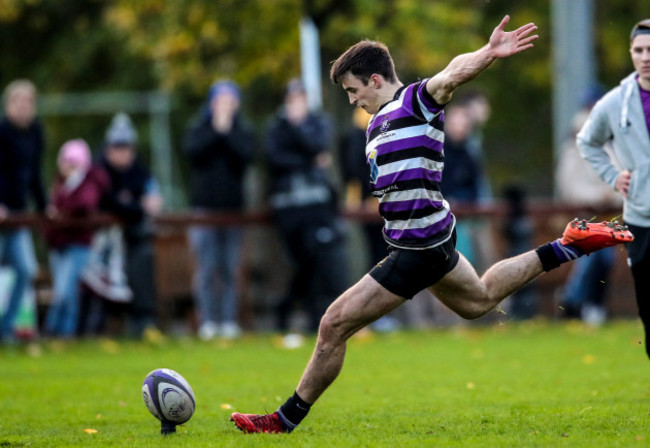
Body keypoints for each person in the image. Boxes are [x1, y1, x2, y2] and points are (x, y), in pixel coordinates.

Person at [230, 16, 632, 433]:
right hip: (431, 239)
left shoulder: (413, 102)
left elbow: (450, 75)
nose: (351, 100)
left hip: (418, 248)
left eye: (353, 90)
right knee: (478, 301)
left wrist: (488, 54)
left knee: (333, 323)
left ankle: (283, 420)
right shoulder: (375, 125)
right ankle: (568, 245)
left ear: (374, 79)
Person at [576, 19, 650, 352]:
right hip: (641, 215)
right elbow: (587, 142)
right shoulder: (615, 102)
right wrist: (612, 176)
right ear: (631, 54)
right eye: (639, 50)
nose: (645, 56)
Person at [266, 78, 349, 334]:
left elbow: (320, 147)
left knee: (319, 260)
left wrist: (298, 132)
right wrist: (308, 159)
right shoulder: (277, 126)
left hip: (317, 207)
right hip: (288, 209)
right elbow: (274, 159)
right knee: (301, 264)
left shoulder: (318, 122)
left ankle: (315, 319)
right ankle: (286, 308)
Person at [183, 80, 254, 340]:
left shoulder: (241, 131)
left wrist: (227, 133)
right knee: (206, 269)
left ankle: (228, 320)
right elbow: (193, 153)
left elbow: (246, 156)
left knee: (229, 269)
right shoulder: (199, 128)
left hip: (233, 212)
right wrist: (216, 131)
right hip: (204, 211)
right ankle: (207, 321)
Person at [94, 112, 162, 338]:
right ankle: (95, 329)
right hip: (103, 243)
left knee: (143, 262)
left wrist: (133, 206)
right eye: (118, 147)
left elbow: (152, 200)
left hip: (133, 238)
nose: (122, 153)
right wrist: (137, 207)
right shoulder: (99, 171)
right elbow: (110, 203)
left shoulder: (140, 171)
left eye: (126, 148)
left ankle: (143, 323)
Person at [556, 109, 623, 324]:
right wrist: (598, 197)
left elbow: (620, 183)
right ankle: (575, 303)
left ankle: (586, 305)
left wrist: (609, 197)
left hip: (608, 217)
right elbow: (571, 188)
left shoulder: (609, 149)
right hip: (583, 217)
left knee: (602, 260)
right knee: (590, 260)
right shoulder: (573, 152)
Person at [43, 139, 109, 338]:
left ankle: (55, 331)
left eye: (73, 163)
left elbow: (84, 205)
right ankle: (64, 335)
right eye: (65, 162)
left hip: (78, 244)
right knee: (65, 293)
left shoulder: (86, 183)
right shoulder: (59, 185)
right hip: (58, 245)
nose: (68, 168)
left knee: (65, 291)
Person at [0, 80, 46, 342]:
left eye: (29, 102)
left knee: (27, 270)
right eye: (19, 102)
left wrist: (43, 205)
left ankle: (6, 327)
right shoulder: (2, 131)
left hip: (18, 215)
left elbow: (35, 173)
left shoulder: (35, 132)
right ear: (8, 105)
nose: (24, 107)